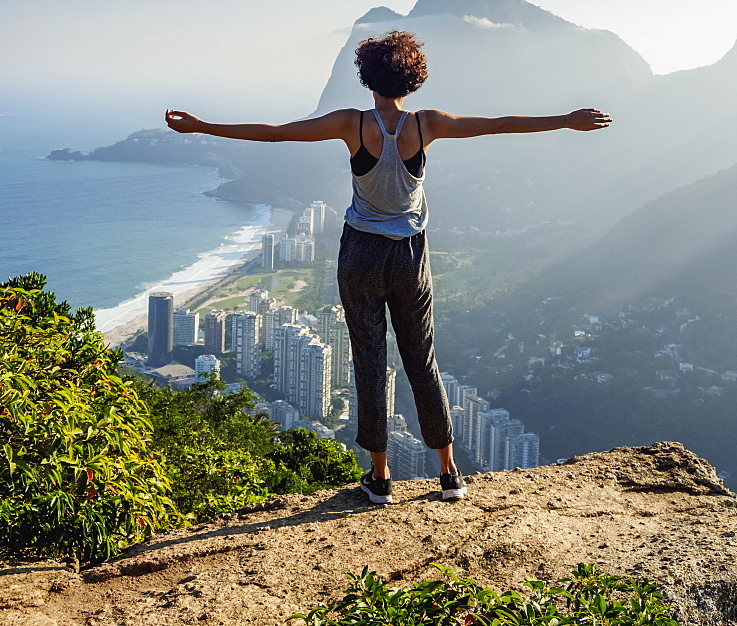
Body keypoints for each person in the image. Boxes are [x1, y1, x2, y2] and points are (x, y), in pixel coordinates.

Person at [166, 29, 611, 504]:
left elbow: (275, 133)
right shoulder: (428, 124)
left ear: (367, 77)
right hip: (409, 256)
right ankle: (450, 473)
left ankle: (380, 477)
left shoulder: (351, 124)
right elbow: (499, 124)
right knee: (422, 359)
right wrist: (566, 120)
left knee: (371, 363)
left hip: (359, 253)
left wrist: (202, 127)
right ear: (413, 77)